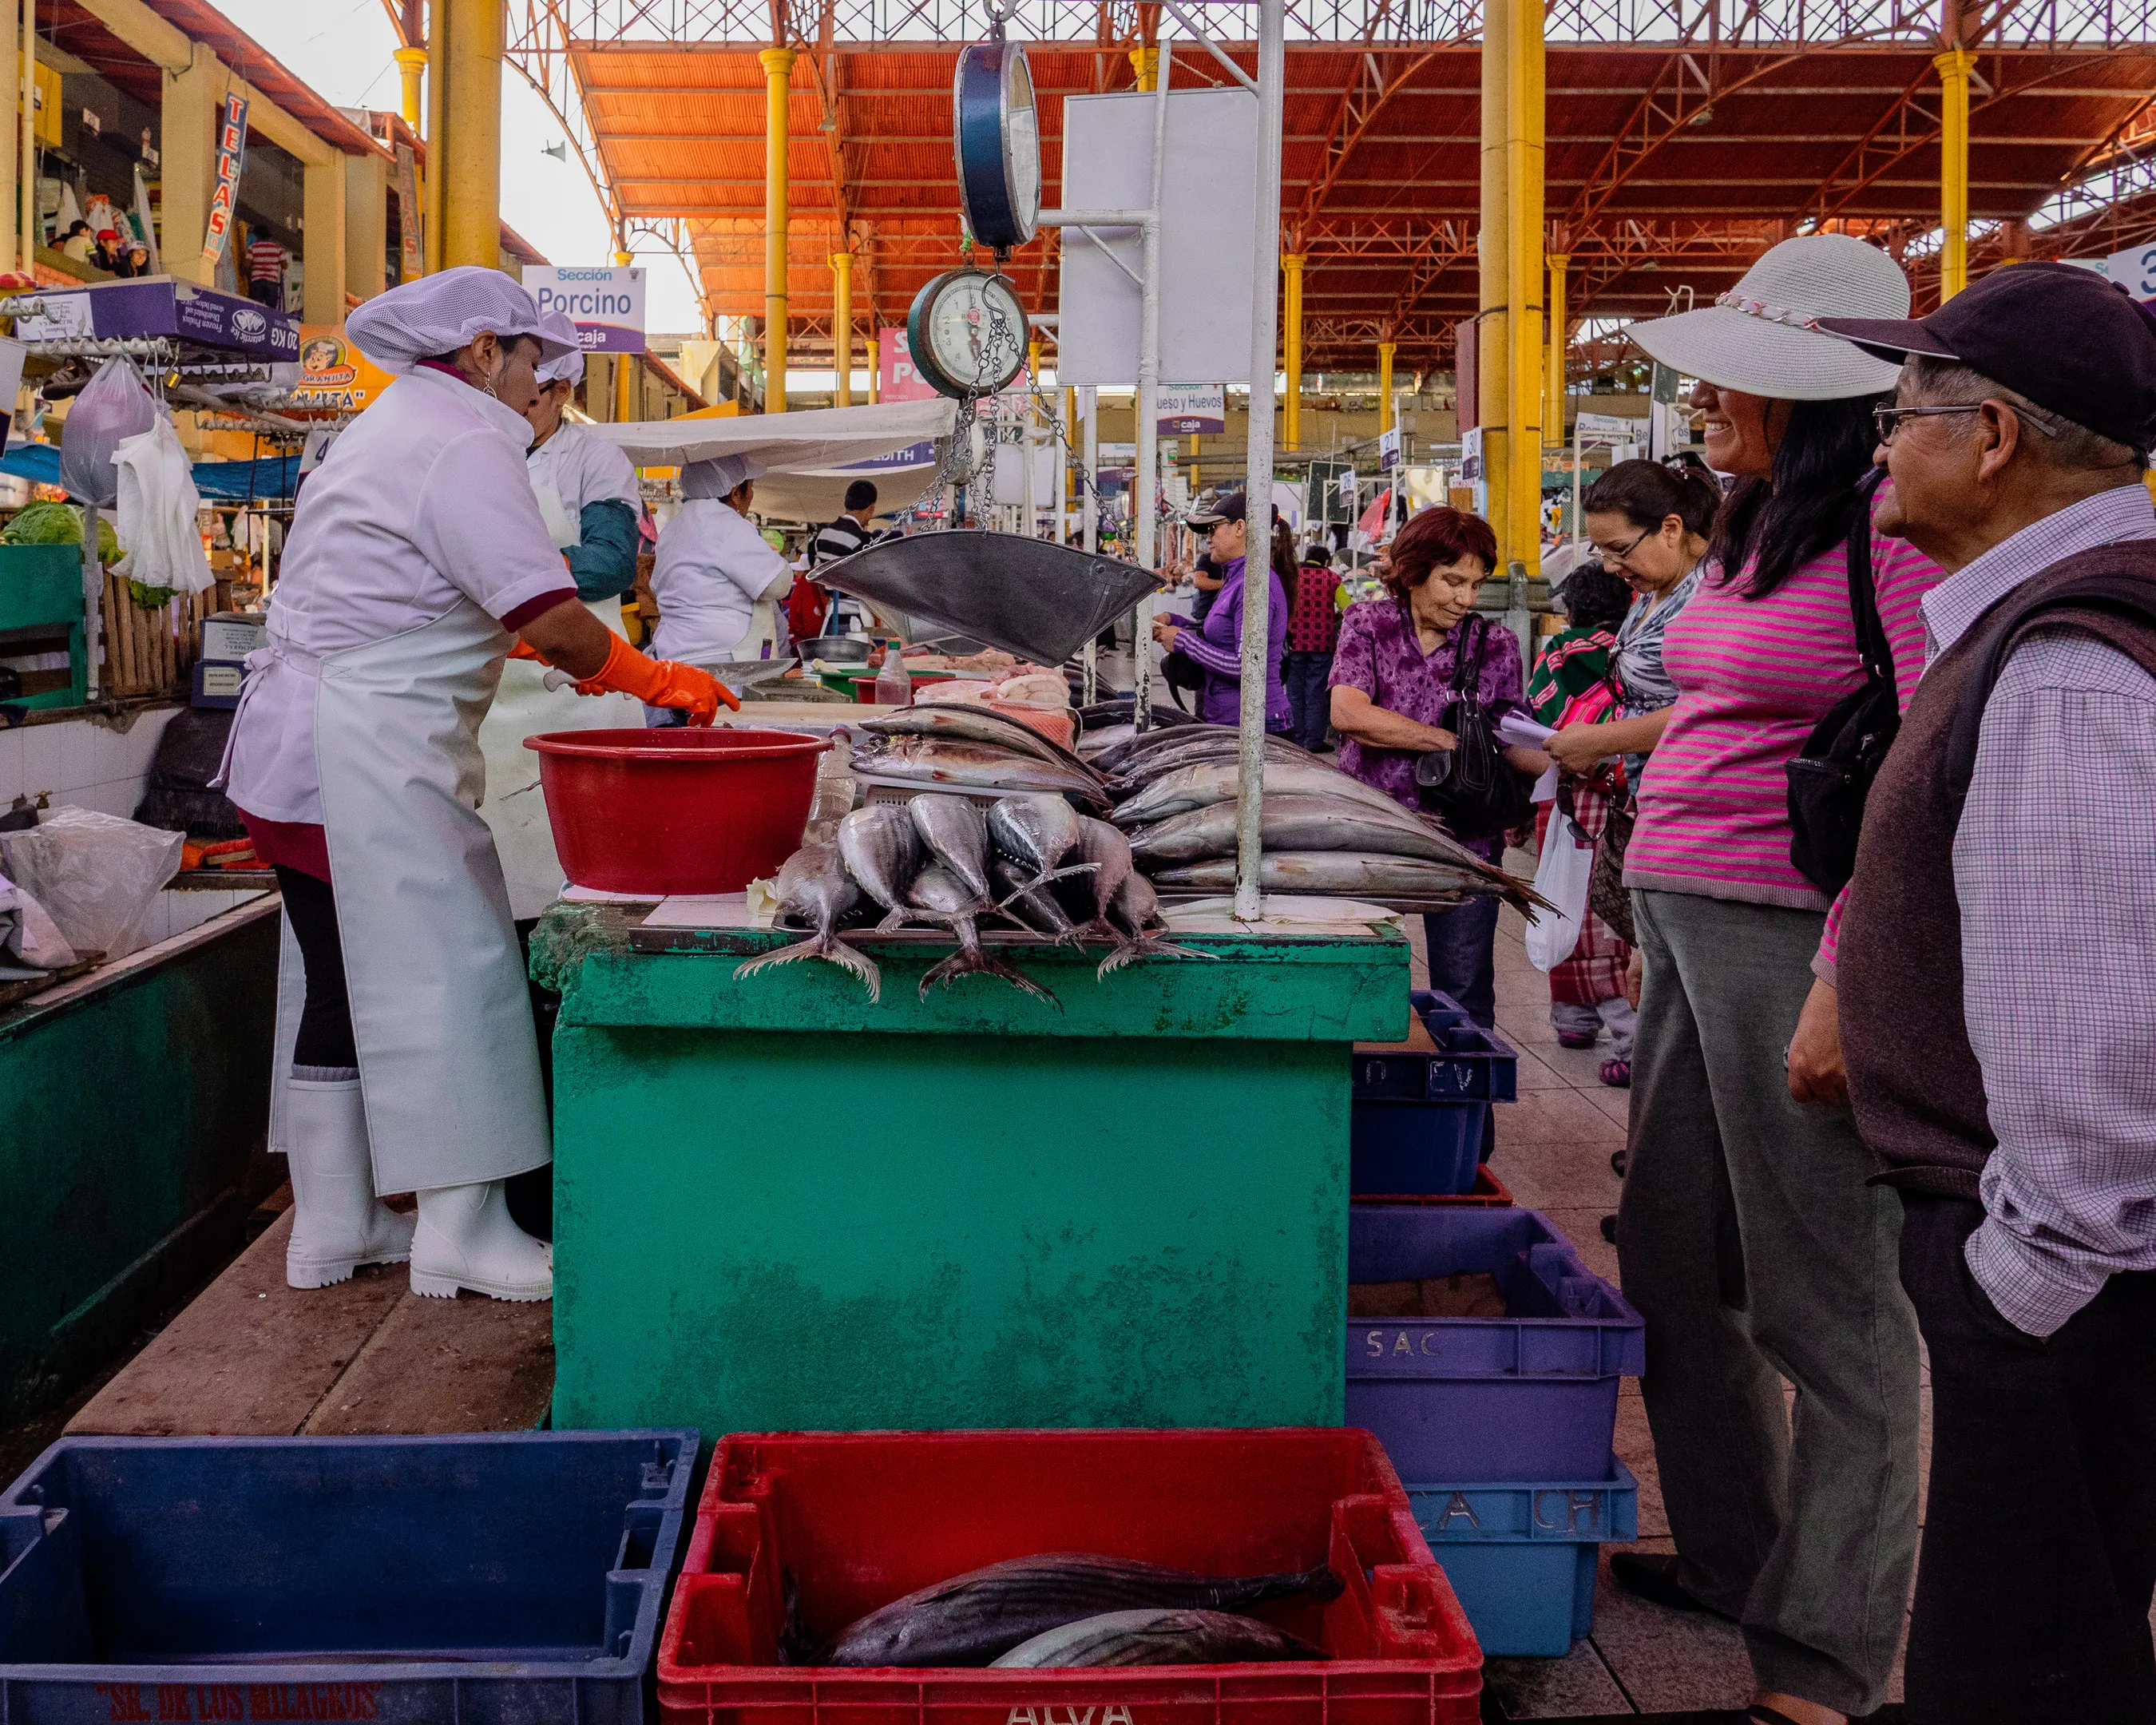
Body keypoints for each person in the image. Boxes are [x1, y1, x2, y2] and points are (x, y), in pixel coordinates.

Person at [216, 268, 725, 1303]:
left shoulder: (390, 422)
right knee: (460, 967)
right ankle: (464, 1232)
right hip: (359, 751)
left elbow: (425, 599)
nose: (545, 386)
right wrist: (650, 676)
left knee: (338, 984)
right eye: (537, 360)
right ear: (486, 349)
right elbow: (547, 611)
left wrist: (554, 657)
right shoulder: (464, 435)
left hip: (293, 748)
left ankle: (336, 1225)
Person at [1812, 264, 2156, 1724]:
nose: (1884, 448)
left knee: (2025, 1669)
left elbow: (2092, 1038)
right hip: (2059, 1278)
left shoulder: (2067, 663)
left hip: (2060, 1285)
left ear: (1995, 439)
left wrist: (2011, 1292)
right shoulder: (2053, 623)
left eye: (1903, 418)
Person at [1608, 233, 1942, 1725]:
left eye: (1731, 376)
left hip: (1786, 934)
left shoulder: (1893, 533)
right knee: (1679, 1272)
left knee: (1829, 1308)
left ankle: (1822, 1664)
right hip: (1682, 914)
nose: (1699, 397)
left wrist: (1847, 969)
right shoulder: (1757, 520)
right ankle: (1746, 1563)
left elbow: (1936, 767)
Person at [1327, 506, 1544, 1026]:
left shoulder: (1496, 645)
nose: (1466, 599)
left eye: (1475, 583)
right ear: (1415, 570)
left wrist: (1547, 772)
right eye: (1452, 581)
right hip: (1375, 832)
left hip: (1465, 840)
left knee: (1465, 994)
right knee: (1362, 978)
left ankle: (1466, 1105)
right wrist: (1444, 741)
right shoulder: (1369, 625)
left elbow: (1513, 732)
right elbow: (1348, 713)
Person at [474, 308, 651, 919]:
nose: (517, 406)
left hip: (579, 691)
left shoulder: (594, 459)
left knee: (577, 873)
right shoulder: (485, 450)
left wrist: (501, 572)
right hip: (493, 701)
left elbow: (609, 565)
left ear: (563, 391)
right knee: (498, 864)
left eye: (532, 395)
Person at [1526, 557, 1638, 1081]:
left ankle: (1572, 1018)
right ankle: (1627, 1032)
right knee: (1611, 919)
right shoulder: (1632, 650)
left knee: (1562, 902)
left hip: (1564, 796)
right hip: (1621, 796)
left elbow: (1535, 718)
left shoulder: (1558, 652)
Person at [646, 452, 795, 721]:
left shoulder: (673, 529)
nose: (751, 497)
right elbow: (777, 584)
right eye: (750, 488)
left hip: (672, 663)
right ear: (735, 492)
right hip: (723, 669)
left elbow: (657, 587)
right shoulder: (727, 524)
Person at [1150, 490, 1292, 732]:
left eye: (1212, 529)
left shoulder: (1255, 585)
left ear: (1239, 527)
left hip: (1257, 726)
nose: (1208, 539)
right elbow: (1222, 636)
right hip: (1229, 720)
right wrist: (1176, 622)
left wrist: (1183, 640)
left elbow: (1245, 666)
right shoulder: (1237, 579)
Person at [1282, 541, 1342, 751]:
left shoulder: (1292, 578)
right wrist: (1332, 615)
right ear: (1326, 561)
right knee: (1317, 694)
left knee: (1294, 693)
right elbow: (1349, 608)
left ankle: (1296, 740)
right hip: (1322, 644)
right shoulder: (1333, 579)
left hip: (1294, 642)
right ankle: (1314, 742)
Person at [810, 478, 878, 635]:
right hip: (855, 617)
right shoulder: (863, 540)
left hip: (831, 616)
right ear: (871, 508)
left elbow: (817, 578)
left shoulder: (822, 535)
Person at [245, 224, 288, 310]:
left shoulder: (252, 248)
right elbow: (285, 265)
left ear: (257, 235)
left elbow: (246, 265)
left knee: (256, 308)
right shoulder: (277, 248)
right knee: (271, 309)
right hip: (272, 282)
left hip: (256, 282)